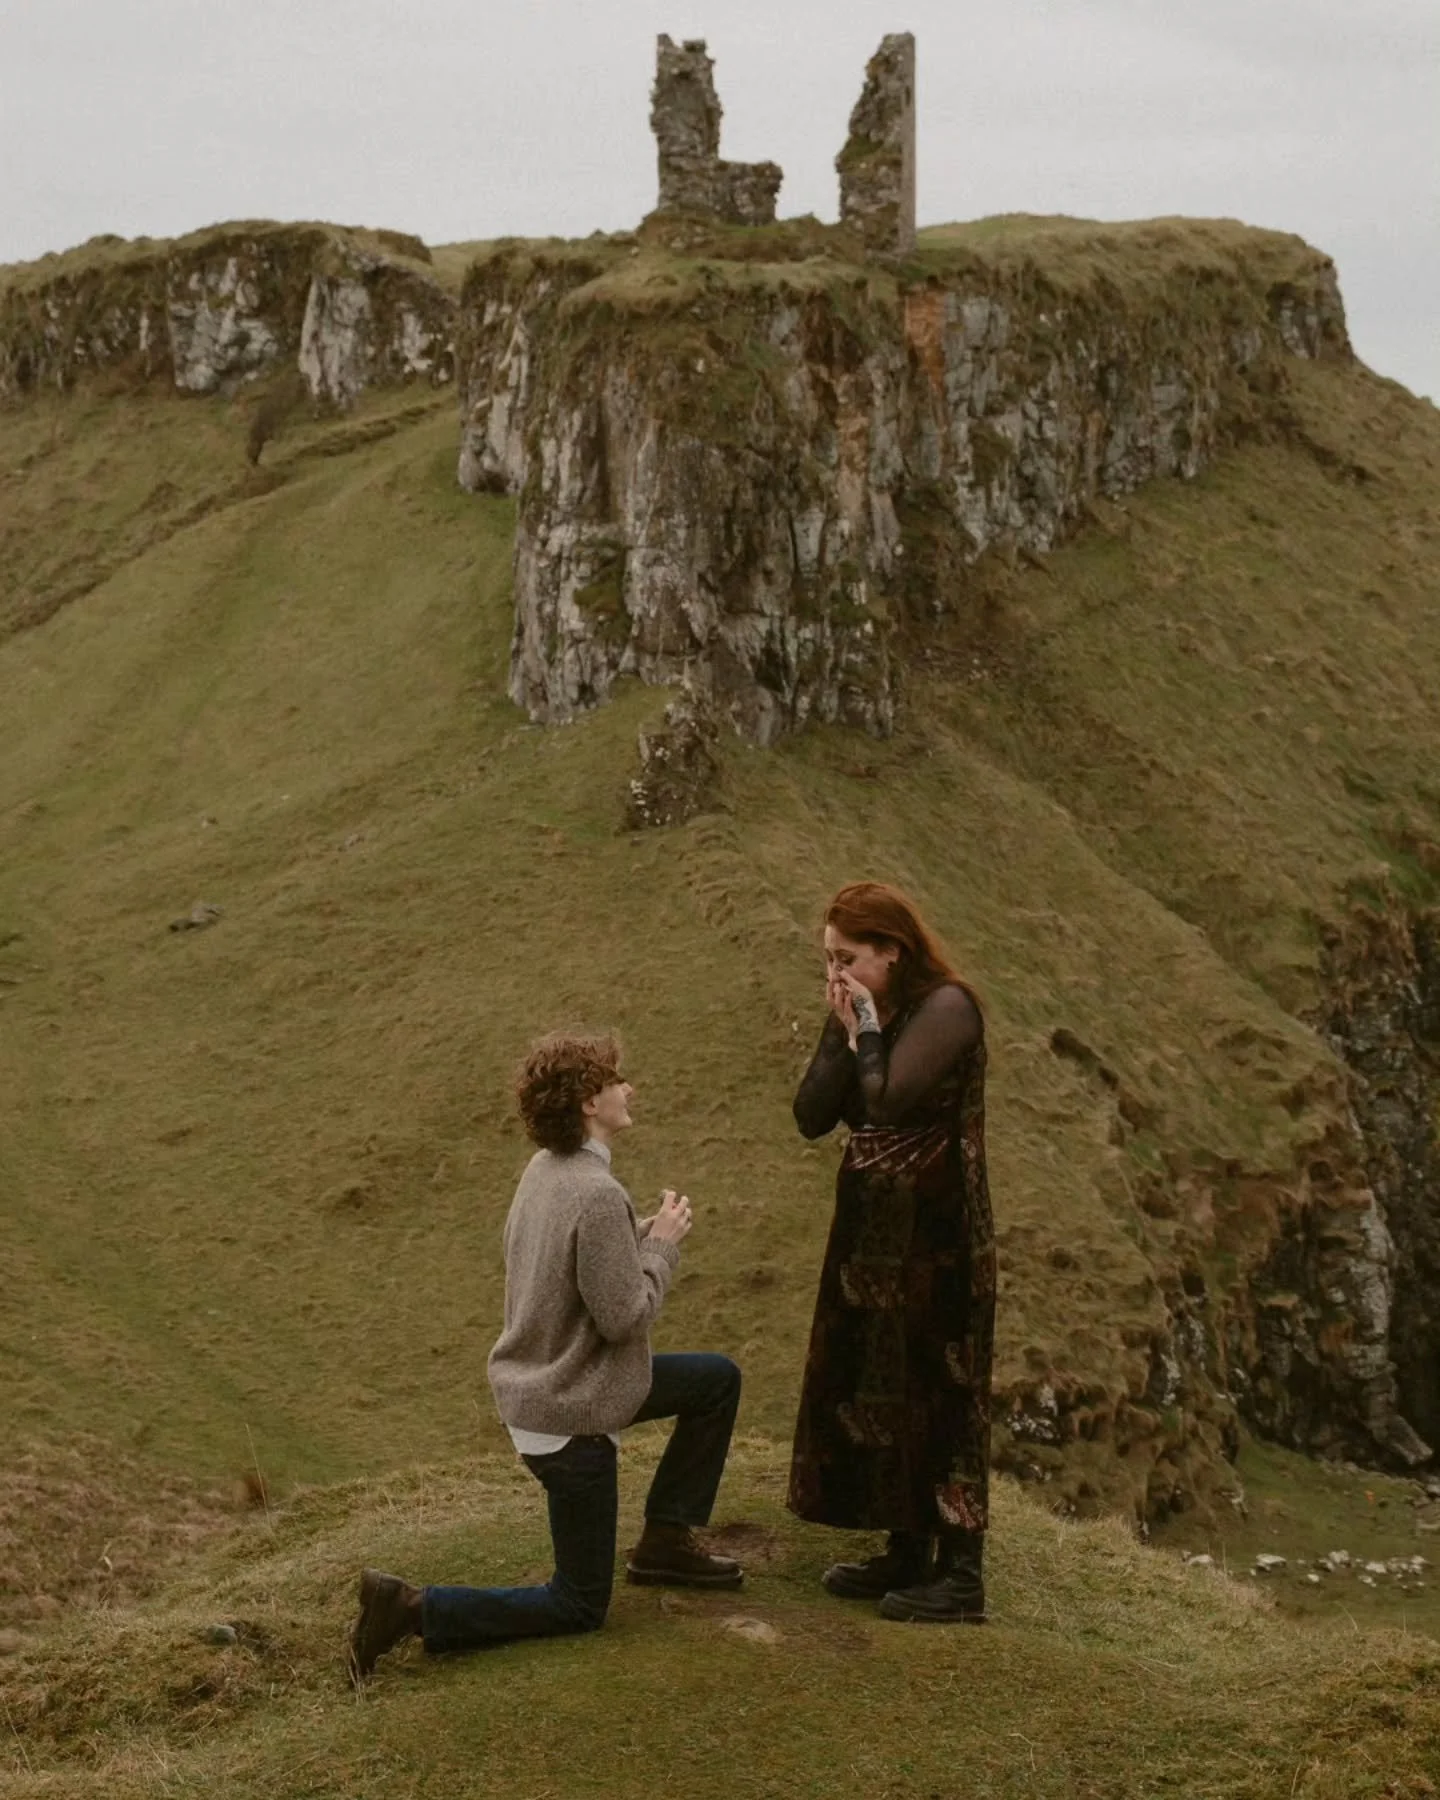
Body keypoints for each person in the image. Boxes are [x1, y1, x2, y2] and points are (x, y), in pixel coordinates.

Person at [348, 1031, 743, 1683]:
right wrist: (664, 1247)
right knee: (580, 1603)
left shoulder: (547, 1172)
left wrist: (637, 1232)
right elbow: (625, 1317)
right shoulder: (593, 1191)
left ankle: (668, 1541)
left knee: (714, 1382)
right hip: (572, 1412)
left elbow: (569, 1260)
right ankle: (411, 1608)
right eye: (617, 1078)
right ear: (590, 1102)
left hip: (549, 1387)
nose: (628, 1088)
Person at [788, 881, 995, 1624]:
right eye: (828, 959)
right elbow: (813, 1113)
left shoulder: (948, 1008)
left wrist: (865, 1029)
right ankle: (906, 1550)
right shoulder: (860, 1011)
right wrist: (843, 1028)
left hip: (939, 1238)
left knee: (942, 1388)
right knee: (882, 1381)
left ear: (891, 951)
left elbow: (887, 1102)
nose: (835, 973)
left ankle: (962, 1573)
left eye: (848, 958)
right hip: (873, 1239)